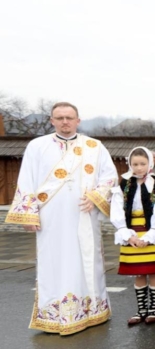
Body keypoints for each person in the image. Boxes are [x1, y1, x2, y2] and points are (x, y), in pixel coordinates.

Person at [6, 102, 117, 335]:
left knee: (88, 261)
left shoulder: (94, 147)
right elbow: (26, 180)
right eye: (60, 118)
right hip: (50, 218)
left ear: (78, 120)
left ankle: (92, 311)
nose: (65, 122)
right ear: (52, 120)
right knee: (53, 262)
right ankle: (56, 315)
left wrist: (96, 197)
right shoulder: (37, 146)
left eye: (69, 117)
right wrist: (28, 214)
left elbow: (109, 177)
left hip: (84, 216)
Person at [111, 147, 155, 325]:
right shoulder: (124, 184)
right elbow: (117, 210)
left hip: (152, 230)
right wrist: (127, 235)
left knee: (153, 271)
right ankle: (141, 309)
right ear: (130, 164)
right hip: (132, 233)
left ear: (150, 164)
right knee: (138, 273)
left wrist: (150, 235)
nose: (138, 168)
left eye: (142, 164)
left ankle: (153, 310)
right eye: (135, 164)